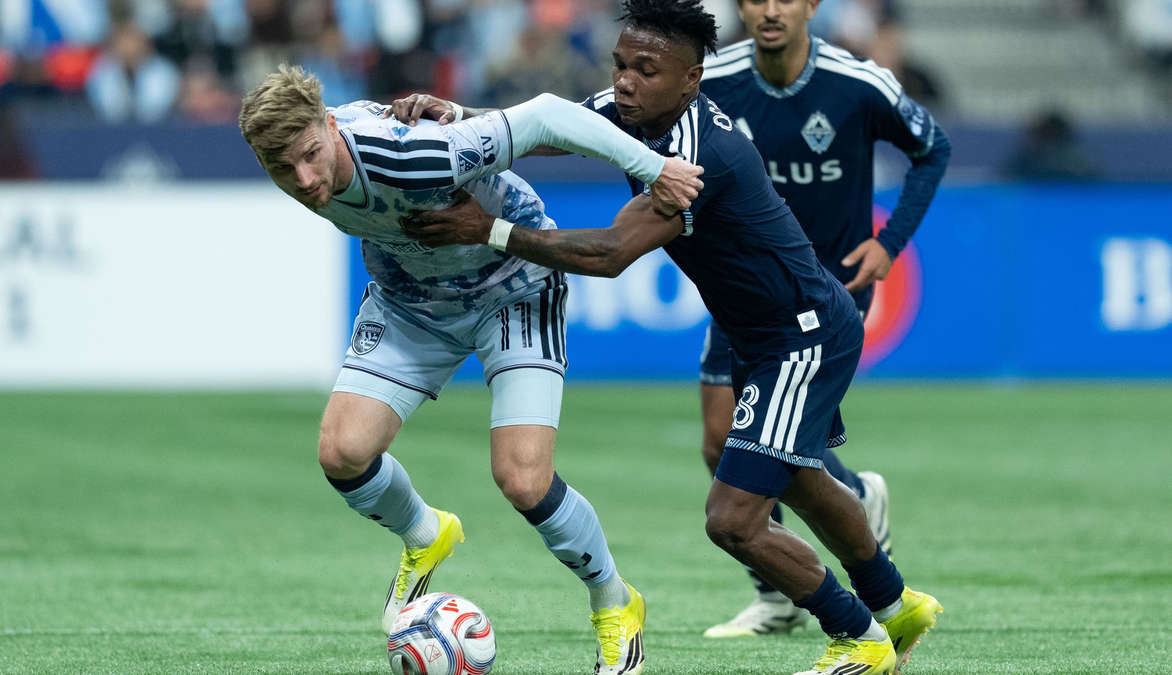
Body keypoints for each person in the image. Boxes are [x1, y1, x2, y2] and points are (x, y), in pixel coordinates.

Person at [398, 2, 942, 673]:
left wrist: (487, 229)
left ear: (691, 82)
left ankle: (859, 637)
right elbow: (554, 127)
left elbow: (607, 252)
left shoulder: (695, 158)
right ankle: (896, 604)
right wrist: (461, 121)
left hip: (801, 334)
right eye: (621, 65)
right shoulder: (634, 111)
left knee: (733, 519)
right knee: (798, 479)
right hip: (767, 330)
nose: (625, 82)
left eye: (645, 71)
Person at [237, 64, 703, 675]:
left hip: (512, 288)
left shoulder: (411, 157)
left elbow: (543, 115)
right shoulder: (311, 151)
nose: (303, 179)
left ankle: (616, 603)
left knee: (523, 480)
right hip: (411, 303)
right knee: (341, 452)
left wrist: (653, 167)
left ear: (328, 127)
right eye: (282, 170)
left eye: (309, 156)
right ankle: (426, 534)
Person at [696, 0, 951, 638]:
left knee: (776, 444)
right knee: (721, 441)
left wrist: (889, 242)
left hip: (824, 293)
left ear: (812, 5)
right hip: (744, 287)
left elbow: (932, 148)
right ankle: (782, 588)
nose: (770, 9)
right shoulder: (713, 79)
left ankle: (854, 585)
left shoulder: (858, 83)